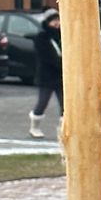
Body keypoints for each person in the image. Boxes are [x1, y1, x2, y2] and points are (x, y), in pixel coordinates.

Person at [29, 8, 63, 138]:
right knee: (42, 102)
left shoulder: (63, 35)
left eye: (58, 20)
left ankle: (64, 129)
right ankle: (34, 127)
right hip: (46, 75)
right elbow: (46, 56)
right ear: (48, 22)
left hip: (61, 76)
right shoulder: (41, 37)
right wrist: (61, 64)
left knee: (65, 104)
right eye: (54, 21)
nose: (56, 23)